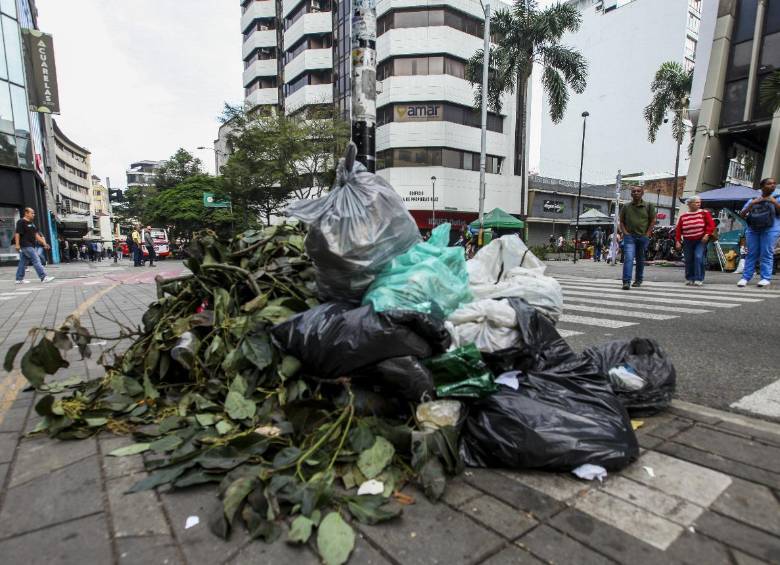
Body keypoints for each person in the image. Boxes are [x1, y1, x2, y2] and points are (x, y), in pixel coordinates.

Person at [737, 177, 780, 288]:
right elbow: (742, 214)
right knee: (751, 253)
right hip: (753, 229)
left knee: (766, 253)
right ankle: (745, 278)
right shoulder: (753, 199)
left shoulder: (777, 198)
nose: (773, 185)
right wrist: (752, 204)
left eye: (774, 183)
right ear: (762, 186)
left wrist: (774, 202)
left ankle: (765, 278)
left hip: (771, 229)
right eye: (769, 183)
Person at [619, 186, 657, 290]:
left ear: (642, 193)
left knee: (640, 259)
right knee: (629, 258)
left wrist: (648, 233)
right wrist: (625, 233)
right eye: (633, 191)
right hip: (629, 237)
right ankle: (626, 282)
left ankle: (638, 280)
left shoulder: (648, 206)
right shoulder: (626, 207)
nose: (636, 193)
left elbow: (653, 220)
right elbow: (621, 221)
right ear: (631, 194)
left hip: (642, 237)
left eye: (638, 191)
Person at [674, 196, 715, 286]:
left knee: (698, 257)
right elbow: (678, 230)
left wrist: (707, 234)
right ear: (689, 204)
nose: (698, 204)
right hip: (687, 241)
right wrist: (677, 241)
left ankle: (699, 278)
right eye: (696, 202)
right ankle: (689, 278)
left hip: (700, 240)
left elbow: (711, 225)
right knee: (688, 259)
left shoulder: (704, 213)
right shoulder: (683, 216)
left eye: (699, 202)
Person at [13, 207, 55, 284]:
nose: (33, 214)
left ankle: (19, 279)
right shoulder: (21, 222)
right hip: (26, 245)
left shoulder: (32, 224)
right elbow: (17, 234)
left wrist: (44, 243)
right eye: (32, 213)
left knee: (23, 262)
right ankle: (43, 277)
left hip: (30, 245)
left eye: (34, 213)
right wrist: (17, 244)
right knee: (36, 260)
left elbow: (36, 235)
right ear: (26, 213)